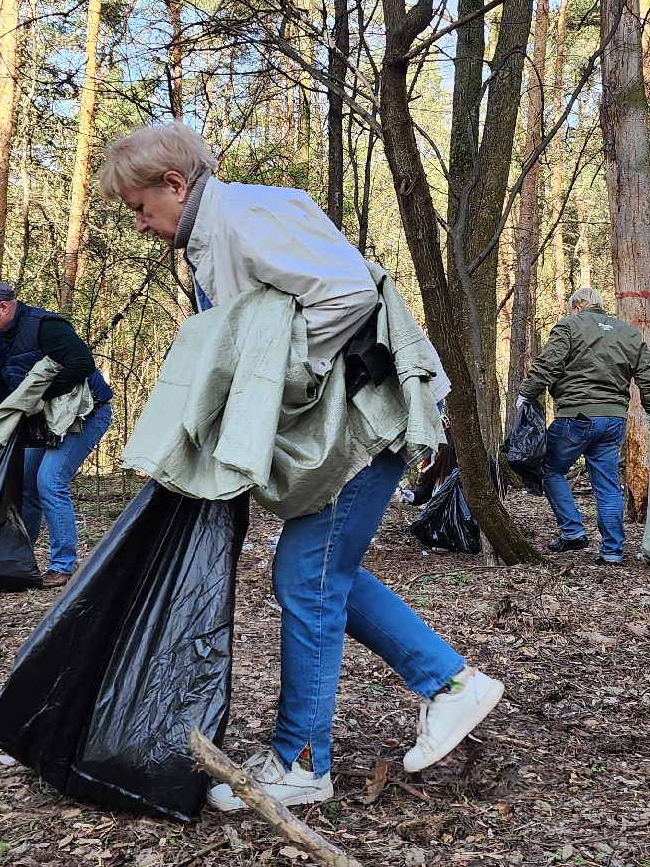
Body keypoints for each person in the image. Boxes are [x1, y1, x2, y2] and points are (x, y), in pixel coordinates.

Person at [99, 121, 503, 811]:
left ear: (174, 184)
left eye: (139, 207)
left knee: (308, 578)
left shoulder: (248, 214)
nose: (139, 225)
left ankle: (303, 761)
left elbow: (348, 294)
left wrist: (274, 378)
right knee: (320, 573)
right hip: (336, 429)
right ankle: (449, 682)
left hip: (367, 419)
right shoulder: (210, 239)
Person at [0, 280, 115, 588]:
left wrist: (42, 394)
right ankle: (20, 560)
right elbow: (1, 395)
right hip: (46, 423)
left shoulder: (45, 326)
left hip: (86, 414)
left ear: (3, 307)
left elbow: (82, 363)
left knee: (50, 482)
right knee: (26, 483)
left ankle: (62, 566)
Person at [517, 287, 650, 564]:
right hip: (614, 420)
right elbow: (647, 373)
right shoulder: (628, 332)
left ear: (576, 307)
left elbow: (548, 363)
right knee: (608, 485)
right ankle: (612, 552)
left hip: (576, 415)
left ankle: (573, 531)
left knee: (550, 470)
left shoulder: (569, 326)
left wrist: (526, 393)